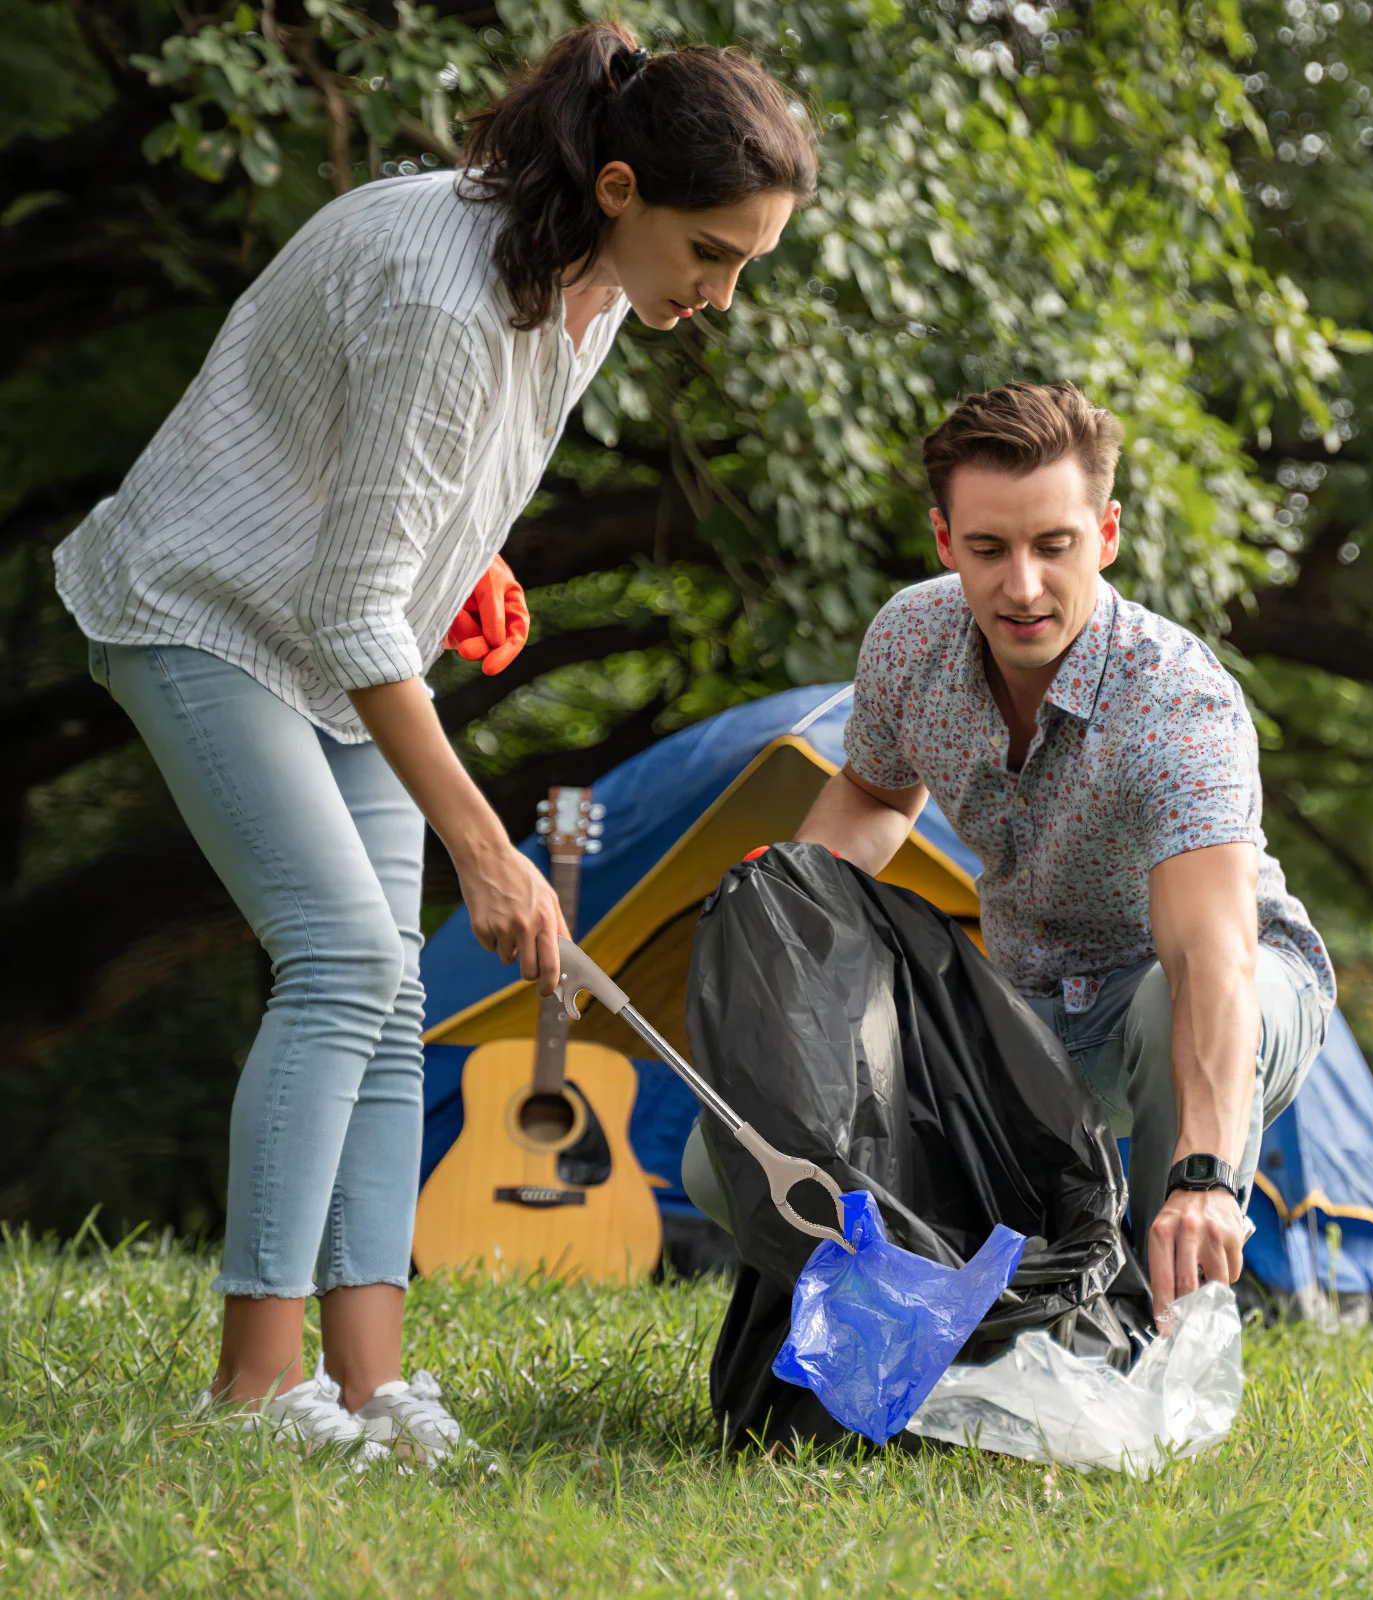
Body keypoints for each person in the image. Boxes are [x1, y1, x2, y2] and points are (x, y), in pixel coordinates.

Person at [53, 20, 816, 1461]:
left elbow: (402, 485)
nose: (720, 293)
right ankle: (249, 1396)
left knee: (395, 994)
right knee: (342, 958)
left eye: (744, 264)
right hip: (207, 610)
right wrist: (491, 849)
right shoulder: (444, 287)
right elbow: (351, 604)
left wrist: (464, 559)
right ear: (618, 188)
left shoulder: (592, 295)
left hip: (341, 633)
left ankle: (364, 1389)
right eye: (712, 252)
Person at [760, 382, 1334, 1320]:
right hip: (1022, 1007)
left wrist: (1202, 1176)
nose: (1022, 586)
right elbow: (872, 794)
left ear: (1105, 535)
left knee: (1159, 1000)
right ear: (946, 542)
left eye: (1053, 546)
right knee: (728, 1152)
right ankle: (928, 1330)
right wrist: (782, 915)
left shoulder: (1176, 702)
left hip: (1216, 990)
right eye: (988, 549)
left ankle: (1162, 1322)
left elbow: (1210, 959)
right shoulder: (910, 640)